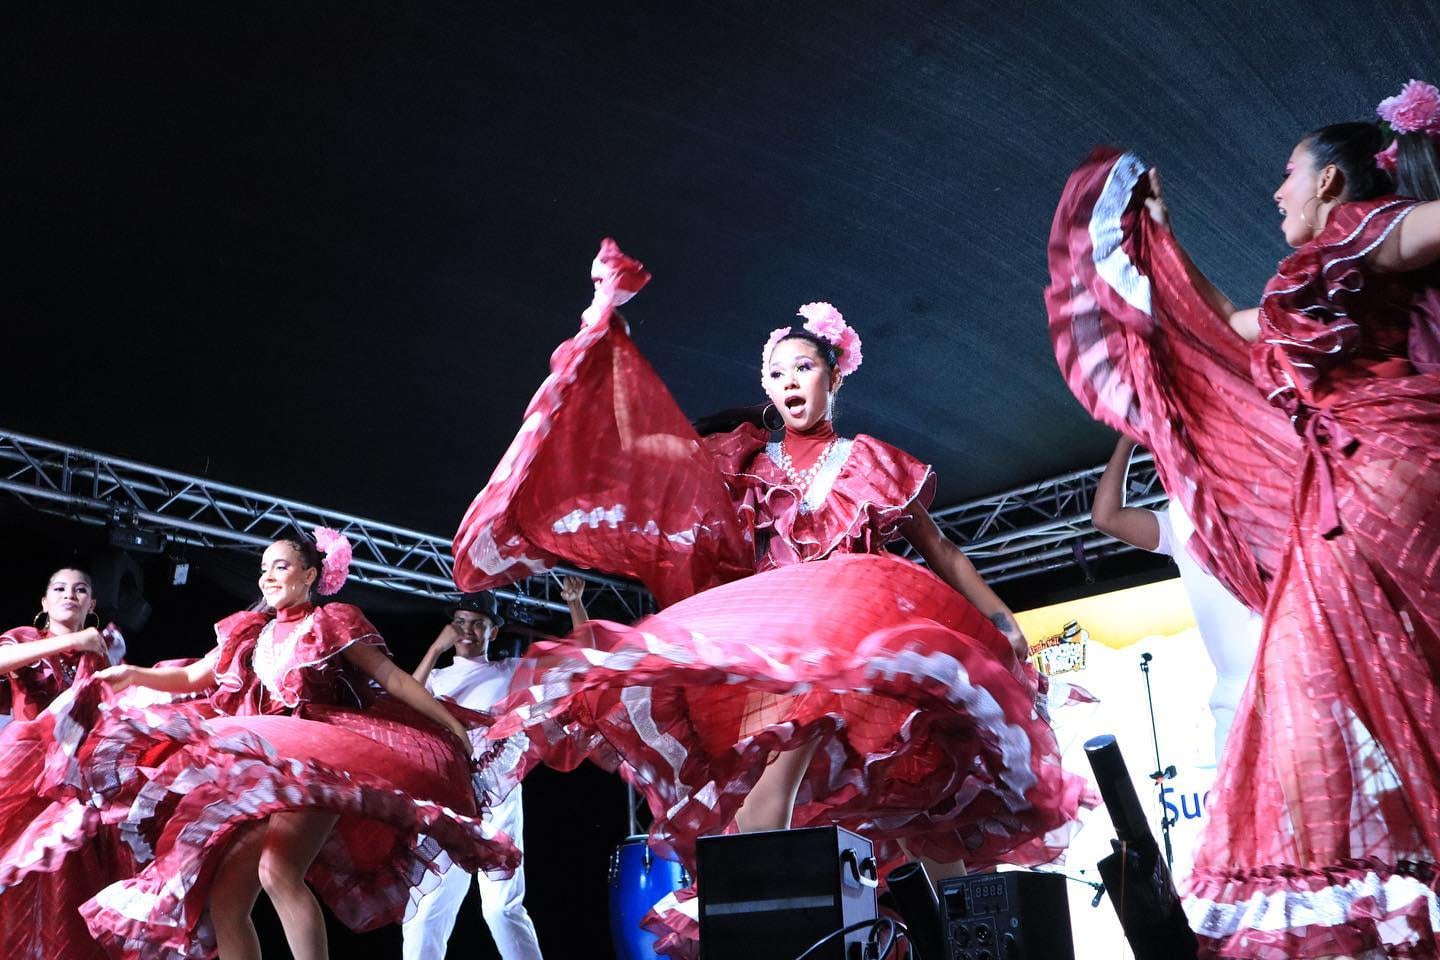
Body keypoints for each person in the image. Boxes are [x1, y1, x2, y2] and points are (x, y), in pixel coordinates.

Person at [453, 240, 1088, 954]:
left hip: (866, 638)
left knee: (920, 818)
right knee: (782, 804)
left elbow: (939, 549)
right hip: (788, 653)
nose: (790, 381)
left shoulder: (873, 462)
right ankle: (775, 932)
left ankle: (943, 940)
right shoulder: (745, 467)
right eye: (776, 370)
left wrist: (998, 617)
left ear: (833, 379)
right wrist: (603, 335)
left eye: (805, 367)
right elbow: (658, 476)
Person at [1046, 79, 1440, 957]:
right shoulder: (1323, 269)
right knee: (1381, 691)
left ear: (1334, 183)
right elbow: (1223, 324)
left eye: (1288, 174)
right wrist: (1164, 243)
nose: (1275, 191)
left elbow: (1424, 228)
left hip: (1380, 485)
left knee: (1317, 696)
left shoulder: (1361, 229)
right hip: (1354, 496)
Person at [8, 530, 520, 960]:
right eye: (263, 568)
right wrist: (130, 673)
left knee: (279, 871)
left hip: (325, 759)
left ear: (310, 575)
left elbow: (393, 679)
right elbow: (192, 676)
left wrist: (449, 725)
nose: (268, 576)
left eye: (281, 566)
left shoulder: (331, 622)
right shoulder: (251, 633)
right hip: (269, 762)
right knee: (225, 900)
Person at [401, 584, 584, 960]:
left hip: (497, 798)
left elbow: (580, 662)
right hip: (447, 801)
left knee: (501, 907)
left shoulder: (510, 672)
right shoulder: (436, 678)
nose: (466, 631)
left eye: (476, 623)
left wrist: (575, 604)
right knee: (424, 912)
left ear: (493, 631)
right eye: (459, 623)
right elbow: (401, 704)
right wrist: (435, 648)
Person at [1091, 436, 1261, 763]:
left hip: (1290, 681)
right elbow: (1105, 517)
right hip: (1233, 701)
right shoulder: (1178, 524)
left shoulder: (1257, 507)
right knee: (1246, 812)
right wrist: (1126, 441)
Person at [0, 566, 119, 960]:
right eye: (60, 588)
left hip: (77, 788)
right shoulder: (26, 640)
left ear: (92, 603)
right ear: (45, 602)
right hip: (24, 780)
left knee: (64, 890)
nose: (70, 594)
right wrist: (68, 643)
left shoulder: (103, 657)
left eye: (81, 589)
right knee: (14, 882)